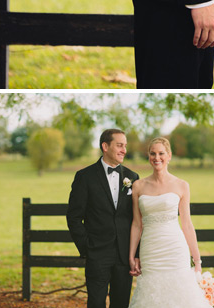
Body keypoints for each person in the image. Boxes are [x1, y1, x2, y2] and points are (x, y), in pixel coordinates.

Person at [127, 137, 212, 308]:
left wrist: (197, 261)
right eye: (152, 154)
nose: (156, 158)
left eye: (161, 153)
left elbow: (187, 224)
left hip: (175, 249)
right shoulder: (138, 186)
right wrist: (132, 255)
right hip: (150, 251)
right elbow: (137, 224)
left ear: (169, 155)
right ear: (148, 156)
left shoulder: (181, 185)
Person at [67, 129, 140, 308]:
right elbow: (74, 217)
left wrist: (135, 254)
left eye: (125, 146)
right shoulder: (84, 177)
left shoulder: (133, 177)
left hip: (124, 254)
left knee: (121, 303)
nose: (124, 150)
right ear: (105, 146)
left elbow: (138, 219)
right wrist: (87, 247)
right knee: (96, 303)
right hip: (97, 252)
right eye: (119, 145)